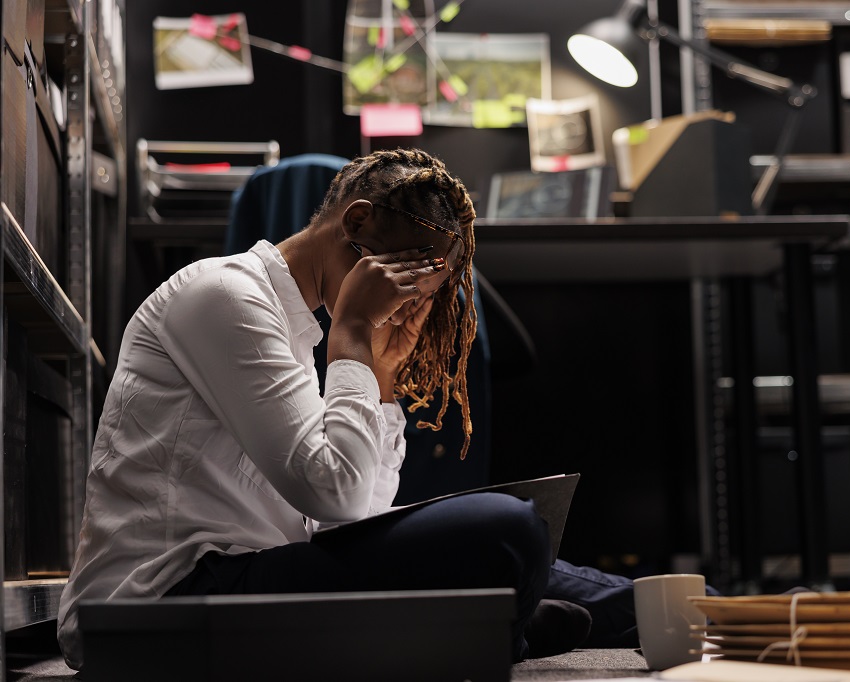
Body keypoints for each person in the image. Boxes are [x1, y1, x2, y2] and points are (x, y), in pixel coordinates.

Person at [57, 148, 637, 671]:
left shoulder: (302, 334)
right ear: (356, 223)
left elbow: (350, 516)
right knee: (504, 531)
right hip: (159, 600)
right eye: (407, 273)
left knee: (539, 548)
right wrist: (355, 333)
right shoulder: (225, 294)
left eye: (427, 288)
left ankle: (680, 609)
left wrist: (381, 381)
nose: (410, 300)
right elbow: (330, 492)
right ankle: (497, 633)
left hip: (254, 576)